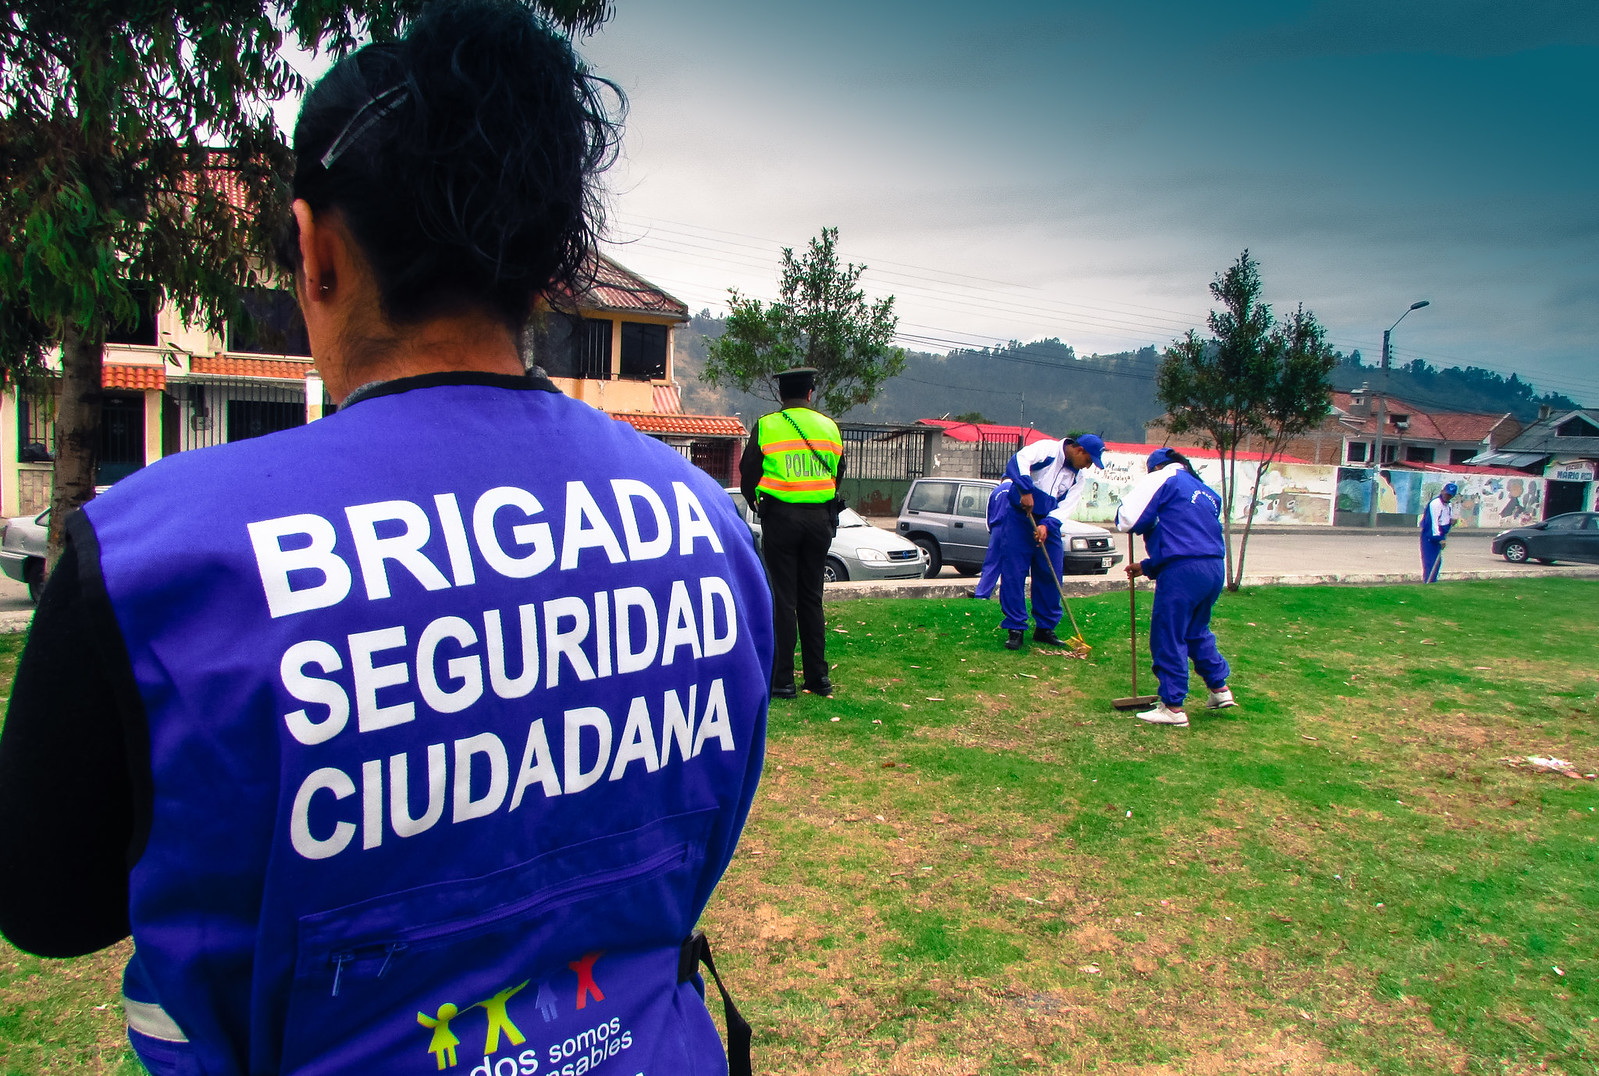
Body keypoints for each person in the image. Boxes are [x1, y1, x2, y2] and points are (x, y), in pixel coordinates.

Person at [0, 6, 771, 1074]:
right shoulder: (707, 528)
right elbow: (692, 829)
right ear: (551, 268)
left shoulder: (148, 563)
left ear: (316, 251)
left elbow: (48, 904)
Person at [740, 367, 844, 698]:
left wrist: (755, 503)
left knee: (784, 600)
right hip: (819, 521)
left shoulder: (768, 426)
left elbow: (747, 472)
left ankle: (782, 681)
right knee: (812, 598)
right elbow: (839, 472)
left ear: (782, 396)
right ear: (811, 394)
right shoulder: (830, 427)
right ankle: (818, 678)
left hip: (781, 520)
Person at [1115, 448, 1237, 727]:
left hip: (1183, 572)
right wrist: (1147, 567)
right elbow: (1187, 536)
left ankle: (1172, 706)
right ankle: (1219, 688)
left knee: (1168, 633)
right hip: (1212, 567)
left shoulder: (1164, 477)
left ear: (1157, 467)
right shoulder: (1205, 490)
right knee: (1196, 630)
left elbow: (1129, 520)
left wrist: (1124, 513)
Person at [994, 433, 1105, 649]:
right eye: (1089, 461)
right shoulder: (1047, 450)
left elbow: (1067, 506)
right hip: (1019, 518)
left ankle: (1045, 628)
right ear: (1080, 450)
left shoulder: (1078, 477)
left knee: (1051, 572)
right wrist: (1025, 490)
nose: (1088, 466)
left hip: (1047, 522)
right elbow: (1018, 461)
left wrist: (1047, 525)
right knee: (1014, 572)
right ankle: (1015, 627)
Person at [971, 477, 1013, 599]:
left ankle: (982, 593)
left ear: (1002, 480)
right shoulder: (1017, 489)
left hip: (997, 529)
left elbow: (988, 515)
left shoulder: (995, 492)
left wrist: (992, 531)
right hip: (1013, 529)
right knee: (1012, 564)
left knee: (991, 563)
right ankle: (1008, 596)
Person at [1421, 482, 1458, 582]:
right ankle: (1428, 582)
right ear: (1442, 491)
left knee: (1437, 562)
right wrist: (1439, 539)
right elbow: (1433, 523)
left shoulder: (1448, 506)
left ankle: (1433, 581)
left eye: (1450, 495)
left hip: (1441, 534)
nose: (1447, 496)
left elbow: (1445, 519)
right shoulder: (1435, 504)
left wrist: (1451, 522)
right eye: (1446, 494)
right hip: (1431, 535)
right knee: (1430, 562)